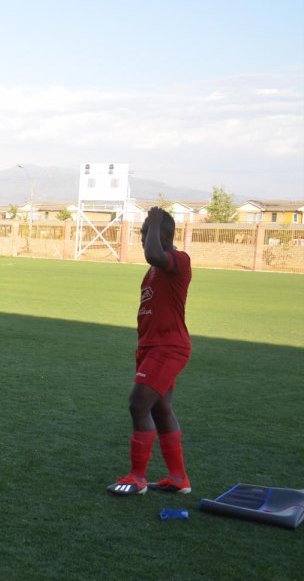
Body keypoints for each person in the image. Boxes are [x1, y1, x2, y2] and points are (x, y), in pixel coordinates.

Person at [107, 207, 194, 497]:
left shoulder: (178, 260)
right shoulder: (154, 270)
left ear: (165, 236)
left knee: (138, 404)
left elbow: (154, 253)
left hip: (168, 347)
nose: (143, 240)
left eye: (147, 235)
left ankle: (137, 477)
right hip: (150, 347)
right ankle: (179, 477)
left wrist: (155, 218)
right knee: (160, 407)